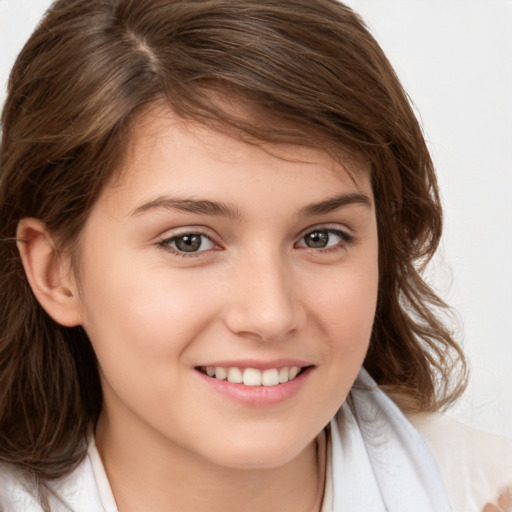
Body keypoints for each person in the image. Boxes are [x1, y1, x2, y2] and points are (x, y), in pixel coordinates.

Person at [0, 0, 510, 511]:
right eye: (189, 241)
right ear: (55, 272)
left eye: (321, 237)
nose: (271, 314)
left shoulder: (486, 489)